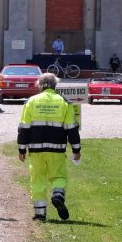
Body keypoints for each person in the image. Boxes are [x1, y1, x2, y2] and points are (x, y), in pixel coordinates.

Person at [16, 72, 82, 221]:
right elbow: (72, 129)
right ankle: (58, 195)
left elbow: (24, 127)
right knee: (58, 176)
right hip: (57, 150)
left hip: (36, 150)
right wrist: (76, 149)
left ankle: (40, 214)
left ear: (40, 85)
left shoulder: (31, 102)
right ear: (55, 85)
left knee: (37, 180)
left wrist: (21, 149)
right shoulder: (64, 102)